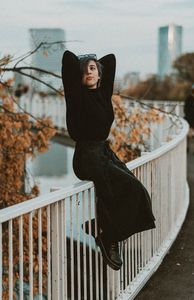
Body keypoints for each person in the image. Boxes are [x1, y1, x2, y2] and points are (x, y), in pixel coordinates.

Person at [61, 50, 155, 271]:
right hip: (86, 156)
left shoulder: (103, 94)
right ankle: (108, 237)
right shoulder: (77, 95)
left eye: (93, 68)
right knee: (130, 189)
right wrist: (84, 63)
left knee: (136, 190)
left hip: (103, 152)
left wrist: (94, 63)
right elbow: (67, 58)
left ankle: (102, 228)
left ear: (100, 75)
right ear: (79, 76)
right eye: (84, 71)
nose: (89, 72)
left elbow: (111, 59)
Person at [184, 83, 194, 156]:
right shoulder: (189, 98)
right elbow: (186, 109)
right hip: (189, 120)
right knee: (189, 135)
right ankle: (187, 146)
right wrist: (188, 118)